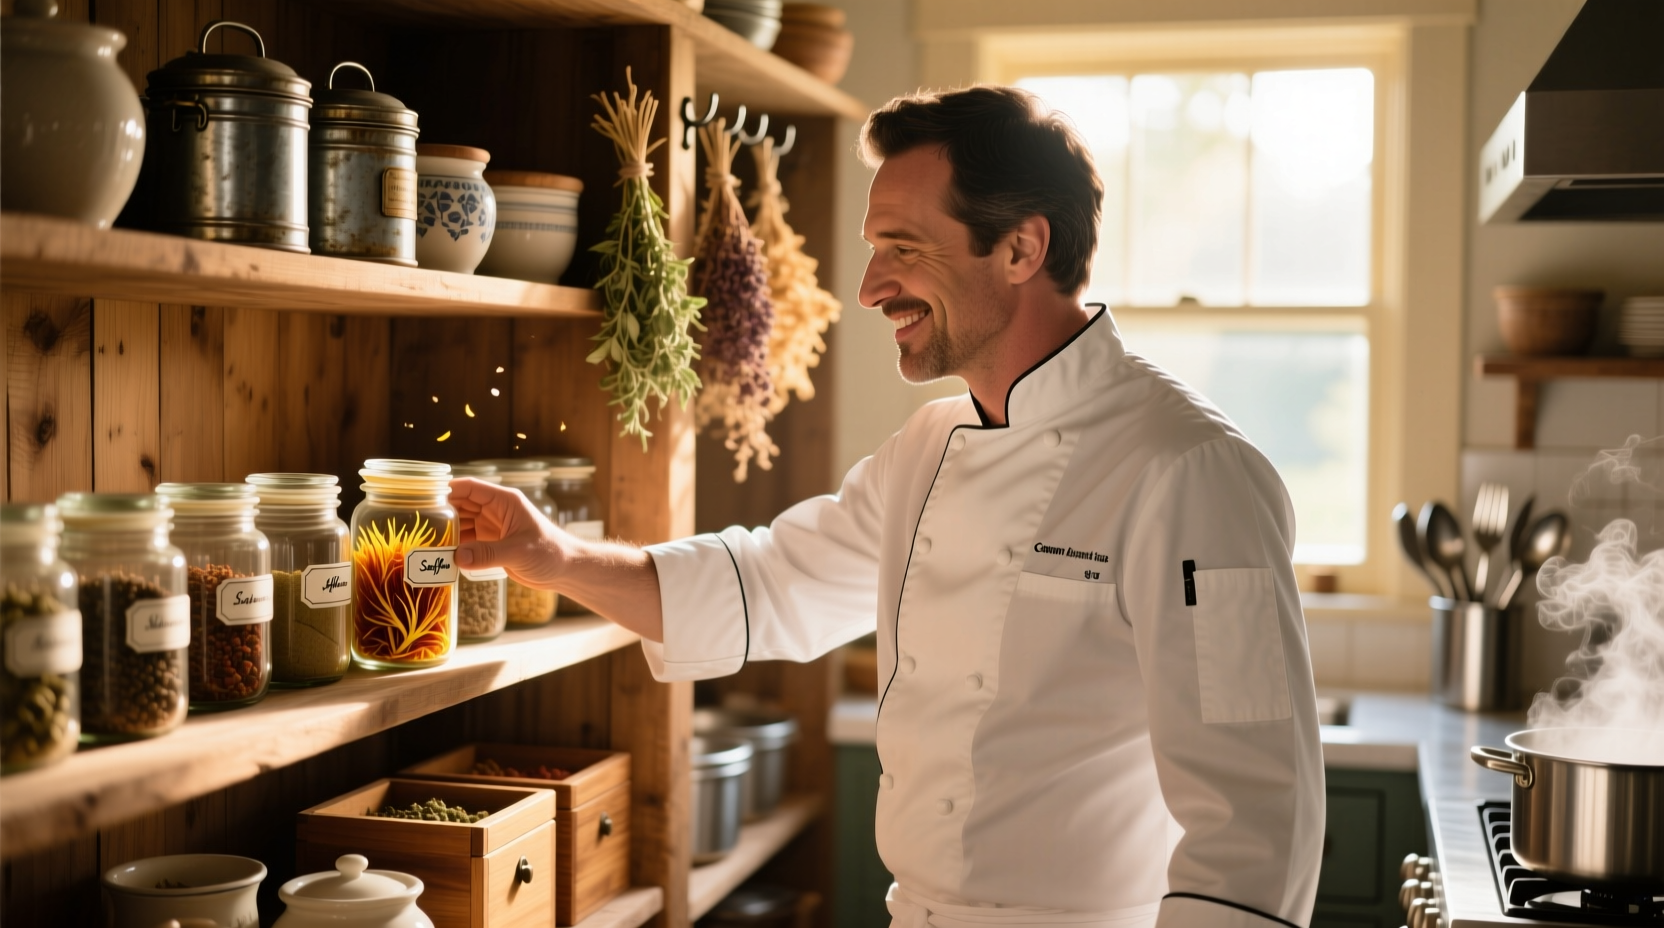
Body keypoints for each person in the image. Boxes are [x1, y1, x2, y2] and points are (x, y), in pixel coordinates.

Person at [452, 85, 1325, 928]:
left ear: (1021, 249)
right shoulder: (927, 447)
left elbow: (1256, 826)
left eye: (903, 247)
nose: (870, 288)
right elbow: (767, 586)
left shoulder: (1192, 470)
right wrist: (554, 559)